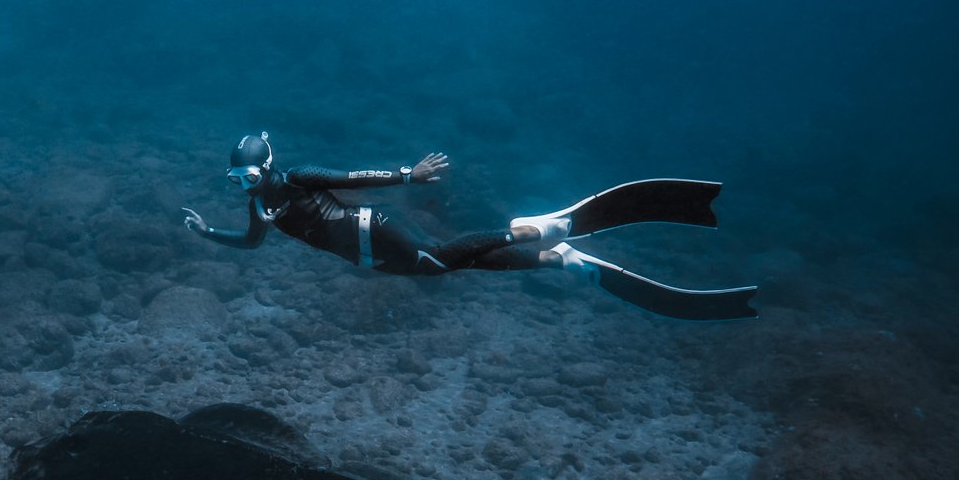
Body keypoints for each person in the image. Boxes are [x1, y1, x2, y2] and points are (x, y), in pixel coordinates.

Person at [182, 133, 757, 319]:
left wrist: (407, 175)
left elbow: (352, 174)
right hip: (366, 258)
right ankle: (560, 261)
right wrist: (208, 232)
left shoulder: (298, 178)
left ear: (268, 166)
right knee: (448, 268)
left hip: (372, 229)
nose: (243, 185)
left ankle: (542, 231)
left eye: (249, 175)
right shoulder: (259, 208)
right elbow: (251, 244)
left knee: (439, 256)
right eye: (235, 179)